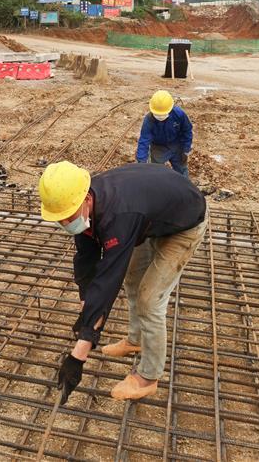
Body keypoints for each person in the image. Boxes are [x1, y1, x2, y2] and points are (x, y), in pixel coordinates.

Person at [38, 160, 208, 403]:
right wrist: (87, 309)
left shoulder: (118, 217)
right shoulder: (86, 203)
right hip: (150, 215)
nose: (66, 223)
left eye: (69, 216)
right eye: (61, 218)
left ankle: (148, 376)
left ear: (86, 199)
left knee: (149, 300)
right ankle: (135, 340)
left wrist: (79, 354)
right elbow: (87, 259)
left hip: (185, 222)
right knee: (133, 278)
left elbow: (108, 280)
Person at [135, 90, 192, 177]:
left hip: (176, 145)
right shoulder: (149, 120)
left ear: (170, 108)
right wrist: (141, 162)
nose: (160, 116)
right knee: (156, 173)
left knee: (181, 170)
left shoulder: (179, 114)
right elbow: (144, 141)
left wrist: (186, 149)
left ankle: (184, 184)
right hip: (158, 148)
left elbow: (187, 131)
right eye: (158, 114)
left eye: (163, 114)